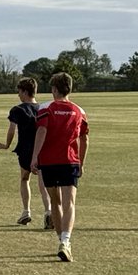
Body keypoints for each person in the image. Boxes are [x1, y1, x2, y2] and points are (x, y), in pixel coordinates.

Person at [30, 72, 89, 263]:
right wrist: (82, 161)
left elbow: (41, 131)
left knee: (55, 201)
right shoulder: (79, 111)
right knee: (70, 201)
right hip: (70, 160)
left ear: (54, 89)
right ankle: (66, 241)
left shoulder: (46, 108)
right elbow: (84, 138)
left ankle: (61, 240)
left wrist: (34, 157)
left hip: (49, 161)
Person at [0, 76, 51, 228]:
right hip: (41, 149)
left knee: (24, 179)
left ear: (25, 92)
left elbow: (12, 129)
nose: (18, 95)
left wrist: (7, 144)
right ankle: (48, 211)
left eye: (19, 91)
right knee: (43, 182)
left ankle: (26, 211)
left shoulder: (17, 110)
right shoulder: (43, 108)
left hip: (25, 149)